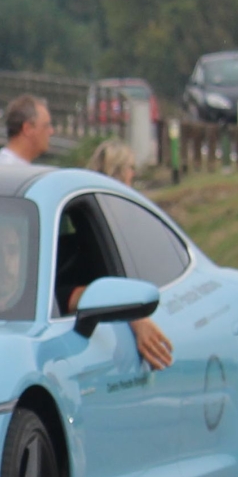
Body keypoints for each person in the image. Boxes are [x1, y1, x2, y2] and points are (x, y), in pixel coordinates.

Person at [71, 140, 176, 371]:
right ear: (118, 172)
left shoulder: (130, 222)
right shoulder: (105, 229)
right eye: (130, 167)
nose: (134, 173)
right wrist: (136, 319)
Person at [0, 94, 51, 166]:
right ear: (27, 129)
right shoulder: (9, 170)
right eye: (45, 126)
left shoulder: (12, 166)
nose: (51, 131)